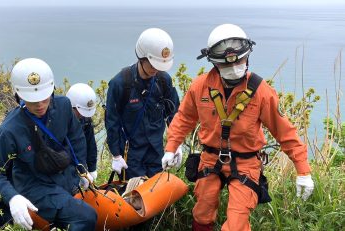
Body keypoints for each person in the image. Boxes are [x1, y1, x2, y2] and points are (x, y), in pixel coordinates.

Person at [162, 24, 315, 231]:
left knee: (236, 224)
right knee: (202, 211)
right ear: (215, 64)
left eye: (240, 61)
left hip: (246, 162)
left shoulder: (261, 91)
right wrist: (172, 146)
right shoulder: (200, 87)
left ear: (247, 57)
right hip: (210, 157)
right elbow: (184, 118)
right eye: (226, 65)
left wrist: (303, 171)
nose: (234, 67)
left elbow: (284, 132)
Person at [0, 58, 97, 230]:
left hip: (65, 177)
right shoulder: (11, 128)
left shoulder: (64, 106)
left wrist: (82, 168)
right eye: (32, 100)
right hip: (35, 186)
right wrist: (13, 197)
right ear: (19, 96)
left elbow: (76, 138)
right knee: (86, 217)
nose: (40, 105)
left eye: (44, 98)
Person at [105, 28, 180, 180]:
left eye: (160, 66)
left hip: (156, 151)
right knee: (134, 197)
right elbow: (112, 121)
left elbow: (174, 114)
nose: (156, 70)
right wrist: (116, 155)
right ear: (141, 58)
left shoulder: (163, 80)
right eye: (153, 65)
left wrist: (175, 145)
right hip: (131, 154)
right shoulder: (120, 83)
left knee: (157, 194)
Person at [66, 83, 98, 182]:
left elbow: (90, 144)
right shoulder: (61, 122)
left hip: (81, 166)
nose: (82, 115)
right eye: (79, 111)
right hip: (65, 168)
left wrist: (92, 168)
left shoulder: (85, 120)